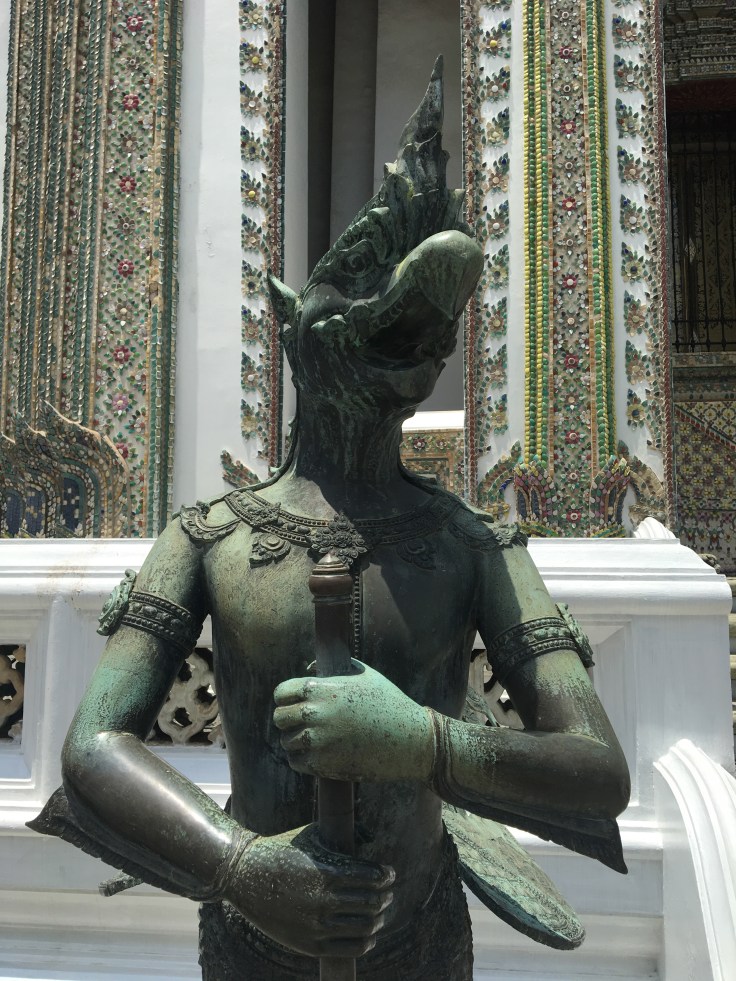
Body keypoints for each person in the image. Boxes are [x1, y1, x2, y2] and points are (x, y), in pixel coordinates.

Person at [30, 59, 629, 981]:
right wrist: (238, 863)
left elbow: (595, 767)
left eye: (429, 337)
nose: (419, 350)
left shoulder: (471, 543)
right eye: (387, 325)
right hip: (255, 930)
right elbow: (93, 745)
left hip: (421, 933)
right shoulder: (209, 536)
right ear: (296, 332)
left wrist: (423, 740)